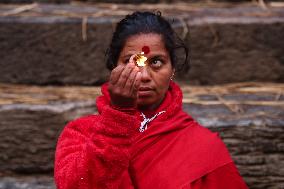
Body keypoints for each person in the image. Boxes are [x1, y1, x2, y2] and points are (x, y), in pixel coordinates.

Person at [54, 11, 249, 189]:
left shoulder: (202, 146)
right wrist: (118, 117)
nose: (144, 75)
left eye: (156, 62)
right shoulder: (81, 134)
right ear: (114, 67)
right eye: (133, 61)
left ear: (172, 69)